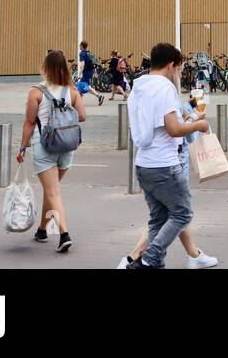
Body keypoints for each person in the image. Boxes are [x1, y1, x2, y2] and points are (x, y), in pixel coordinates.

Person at [124, 43, 210, 270]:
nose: (177, 73)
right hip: (165, 165)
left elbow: (160, 126)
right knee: (182, 214)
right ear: (171, 65)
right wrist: (198, 125)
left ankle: (152, 264)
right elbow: (172, 129)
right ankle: (150, 259)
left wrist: (189, 121)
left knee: (158, 219)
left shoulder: (138, 88)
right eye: (178, 68)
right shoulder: (164, 88)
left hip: (143, 164)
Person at [17, 50, 87, 253]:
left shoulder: (36, 92)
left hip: (44, 145)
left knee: (53, 191)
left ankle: (64, 234)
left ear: (45, 68)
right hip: (67, 145)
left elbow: (30, 123)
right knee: (52, 190)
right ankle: (41, 230)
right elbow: (82, 116)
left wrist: (22, 147)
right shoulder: (72, 91)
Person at [76, 41, 104, 106]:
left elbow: (82, 65)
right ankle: (98, 97)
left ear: (82, 46)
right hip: (90, 72)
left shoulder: (82, 53)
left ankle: (78, 103)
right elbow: (93, 63)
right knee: (86, 86)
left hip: (85, 72)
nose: (79, 46)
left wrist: (80, 74)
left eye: (80, 45)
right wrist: (95, 72)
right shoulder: (90, 53)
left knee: (81, 86)